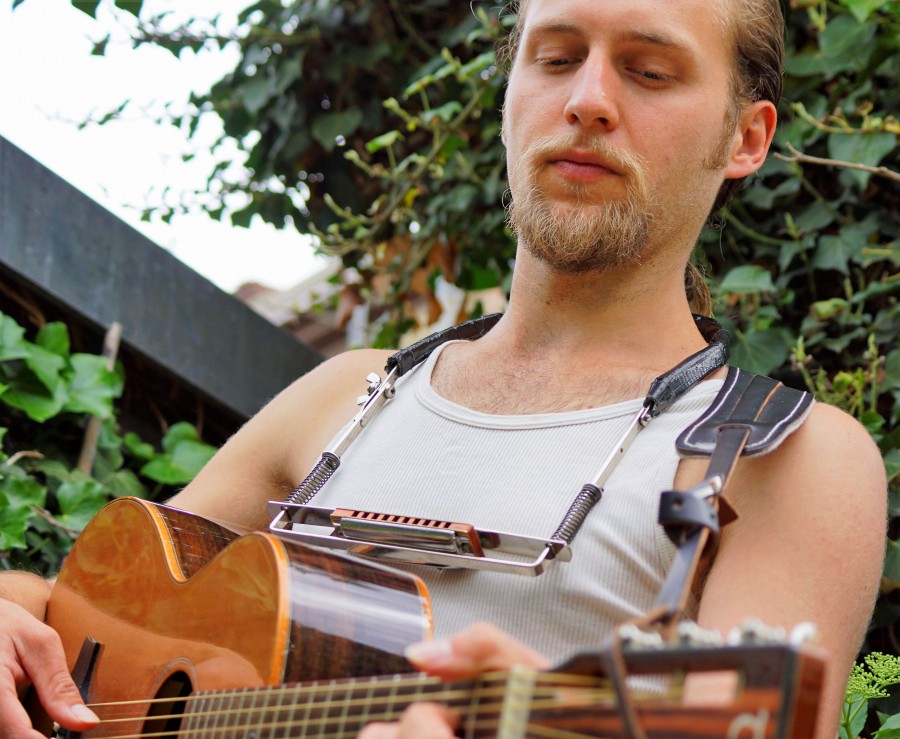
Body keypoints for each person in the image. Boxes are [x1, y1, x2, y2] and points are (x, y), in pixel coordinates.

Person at [0, 0, 887, 737]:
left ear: (745, 138)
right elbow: (86, 612)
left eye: (649, 71)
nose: (587, 99)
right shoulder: (348, 393)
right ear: (509, 97)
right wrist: (12, 605)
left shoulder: (786, 459)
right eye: (555, 58)